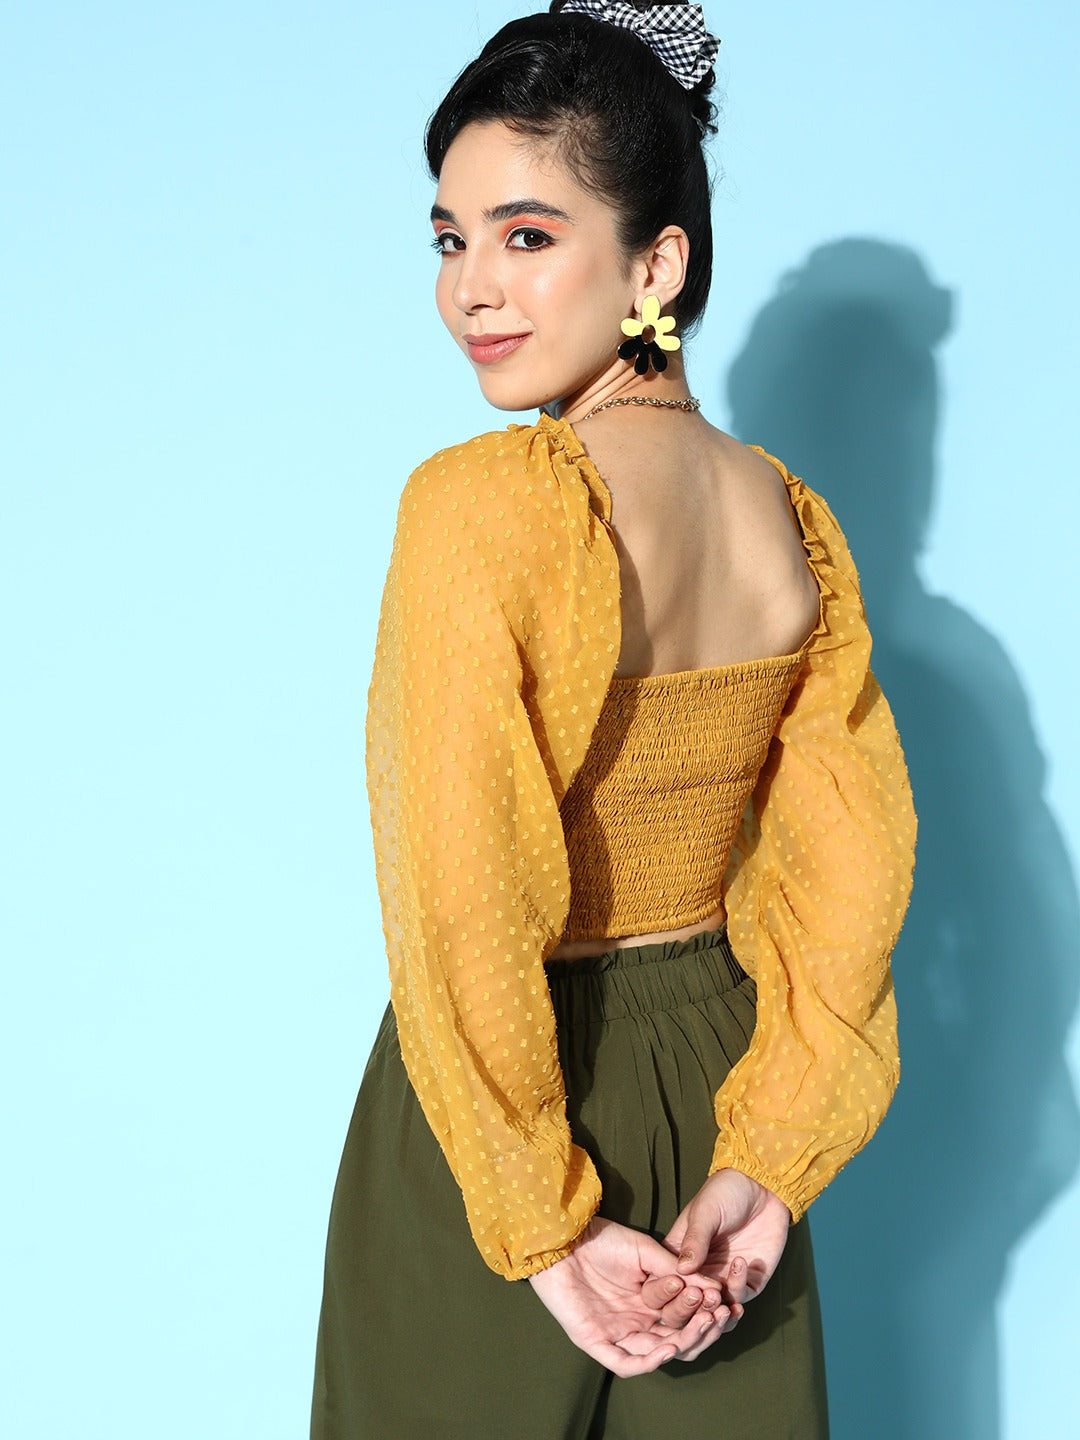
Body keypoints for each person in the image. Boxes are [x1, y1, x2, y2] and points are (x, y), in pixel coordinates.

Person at [310, 3, 917, 1436]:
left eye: (527, 235)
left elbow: (460, 882)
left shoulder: (482, 507)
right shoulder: (792, 523)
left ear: (657, 265)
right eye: (449, 238)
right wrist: (770, 1160)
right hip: (726, 1074)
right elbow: (853, 864)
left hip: (514, 1088)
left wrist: (537, 1214)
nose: (472, 290)